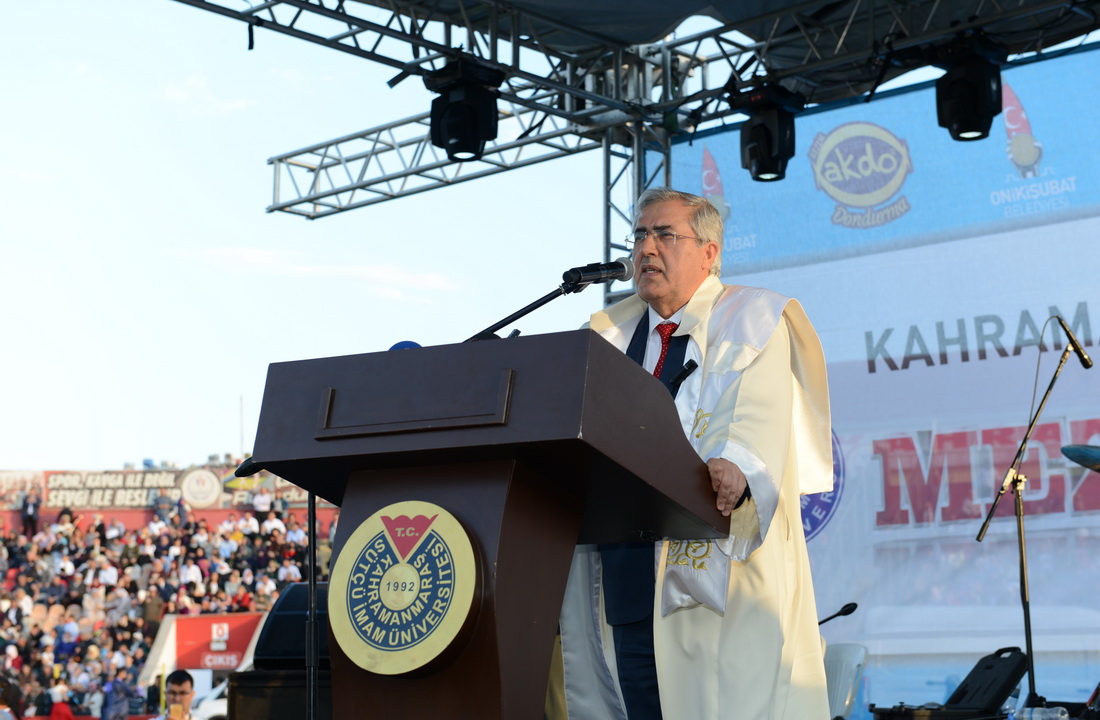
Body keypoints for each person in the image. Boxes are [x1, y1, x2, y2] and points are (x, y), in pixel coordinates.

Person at [558, 188, 833, 720]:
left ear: (709, 252)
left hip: (714, 580)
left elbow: (760, 414)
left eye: (665, 234)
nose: (646, 248)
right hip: (625, 579)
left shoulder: (754, 318)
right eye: (640, 235)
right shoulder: (607, 334)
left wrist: (738, 465)